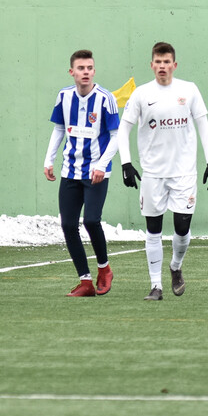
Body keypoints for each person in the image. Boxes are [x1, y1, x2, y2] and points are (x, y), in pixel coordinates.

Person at [117, 42, 208, 302]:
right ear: (152, 65)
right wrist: (126, 163)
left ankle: (175, 266)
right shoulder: (141, 94)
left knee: (182, 228)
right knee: (153, 229)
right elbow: (123, 130)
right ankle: (155, 286)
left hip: (184, 173)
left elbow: (203, 126)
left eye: (167, 62)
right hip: (152, 174)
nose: (162, 67)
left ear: (174, 65)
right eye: (158, 62)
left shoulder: (189, 90)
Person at [43, 49, 120, 297]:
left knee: (91, 220)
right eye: (80, 68)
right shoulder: (64, 97)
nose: (85, 72)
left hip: (97, 172)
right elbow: (59, 129)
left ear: (94, 71)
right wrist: (49, 160)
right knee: (67, 224)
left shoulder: (105, 99)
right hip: (70, 171)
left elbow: (117, 136)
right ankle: (85, 281)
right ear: (72, 72)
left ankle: (104, 269)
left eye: (89, 68)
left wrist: (102, 165)